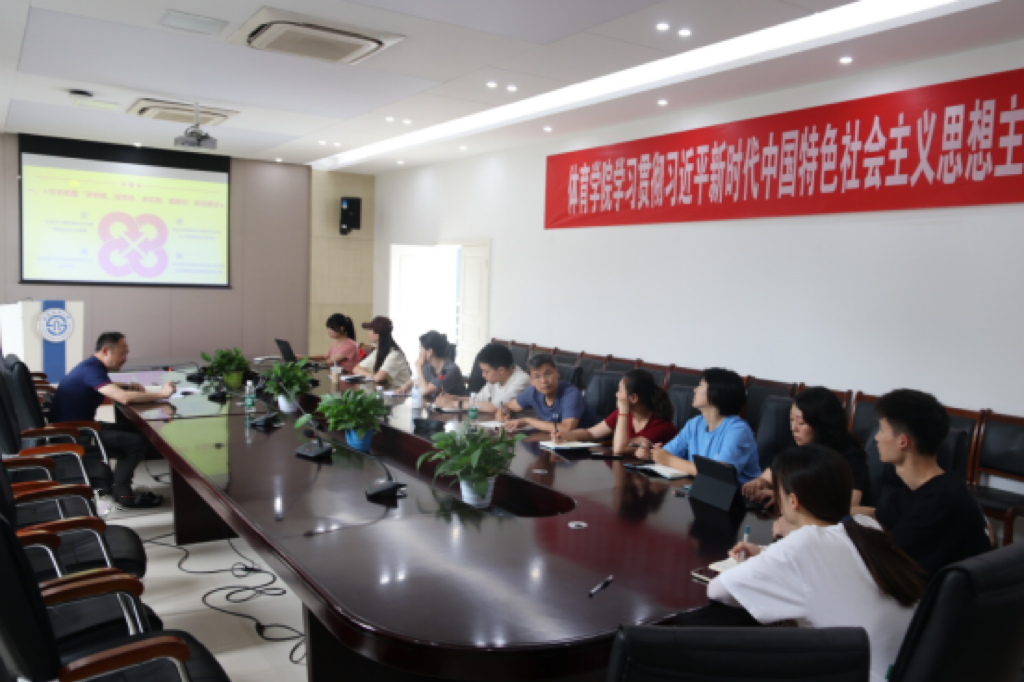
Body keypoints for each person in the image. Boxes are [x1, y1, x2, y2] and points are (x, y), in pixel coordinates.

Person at [710, 446, 924, 682]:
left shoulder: (803, 543)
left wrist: (762, 562)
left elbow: (718, 590)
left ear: (793, 501)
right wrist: (765, 553)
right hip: (905, 671)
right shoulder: (866, 526)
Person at [856, 389, 991, 579]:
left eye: (881, 429)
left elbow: (884, 553)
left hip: (938, 594)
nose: (876, 437)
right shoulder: (917, 488)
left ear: (903, 441)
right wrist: (826, 512)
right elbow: (875, 514)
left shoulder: (942, 499)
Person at [48, 332, 172, 508]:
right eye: (122, 353)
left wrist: (127, 385)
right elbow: (123, 398)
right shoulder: (91, 370)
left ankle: (115, 486)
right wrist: (162, 394)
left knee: (138, 431)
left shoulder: (91, 366)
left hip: (78, 427)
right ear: (106, 351)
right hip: (73, 435)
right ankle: (123, 494)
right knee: (136, 441)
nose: (125, 358)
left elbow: (104, 384)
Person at [743, 387, 869, 506]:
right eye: (791, 420)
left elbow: (849, 505)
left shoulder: (850, 457)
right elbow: (771, 475)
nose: (793, 428)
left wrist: (784, 498)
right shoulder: (801, 444)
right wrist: (759, 482)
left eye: (801, 422)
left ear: (822, 424)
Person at [636, 368, 760, 484]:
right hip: (699, 490)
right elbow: (668, 452)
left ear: (716, 393)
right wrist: (652, 453)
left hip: (739, 497)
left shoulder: (738, 430)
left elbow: (720, 474)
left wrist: (669, 460)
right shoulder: (695, 423)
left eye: (700, 385)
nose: (694, 390)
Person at [554, 369, 678, 454]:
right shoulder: (626, 414)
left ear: (633, 398)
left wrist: (623, 412)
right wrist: (566, 435)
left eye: (620, 390)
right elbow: (590, 433)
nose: (616, 395)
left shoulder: (661, 426)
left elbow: (620, 448)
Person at [499, 353, 599, 434]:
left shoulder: (571, 394)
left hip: (584, 445)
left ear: (557, 373)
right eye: (537, 377)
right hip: (553, 440)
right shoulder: (532, 392)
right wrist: (504, 412)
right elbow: (508, 407)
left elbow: (567, 429)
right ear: (531, 380)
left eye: (548, 374)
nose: (543, 381)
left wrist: (527, 421)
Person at [438, 343, 529, 412]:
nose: (483, 375)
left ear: (501, 370)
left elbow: (497, 407)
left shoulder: (522, 380)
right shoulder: (495, 378)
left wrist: (454, 404)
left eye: (486, 371)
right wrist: (452, 398)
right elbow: (477, 400)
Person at [399, 331, 468, 398]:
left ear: (430, 352)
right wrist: (406, 385)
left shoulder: (449, 370)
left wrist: (418, 367)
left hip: (456, 405)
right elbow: (420, 379)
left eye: (421, 349)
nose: (419, 353)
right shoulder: (429, 366)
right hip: (435, 404)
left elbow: (425, 391)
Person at [352, 316, 412, 386]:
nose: (368, 333)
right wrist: (371, 375)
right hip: (386, 390)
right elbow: (356, 369)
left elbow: (378, 378)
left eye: (370, 330)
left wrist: (372, 376)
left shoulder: (395, 355)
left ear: (377, 335)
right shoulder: (378, 351)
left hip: (400, 391)